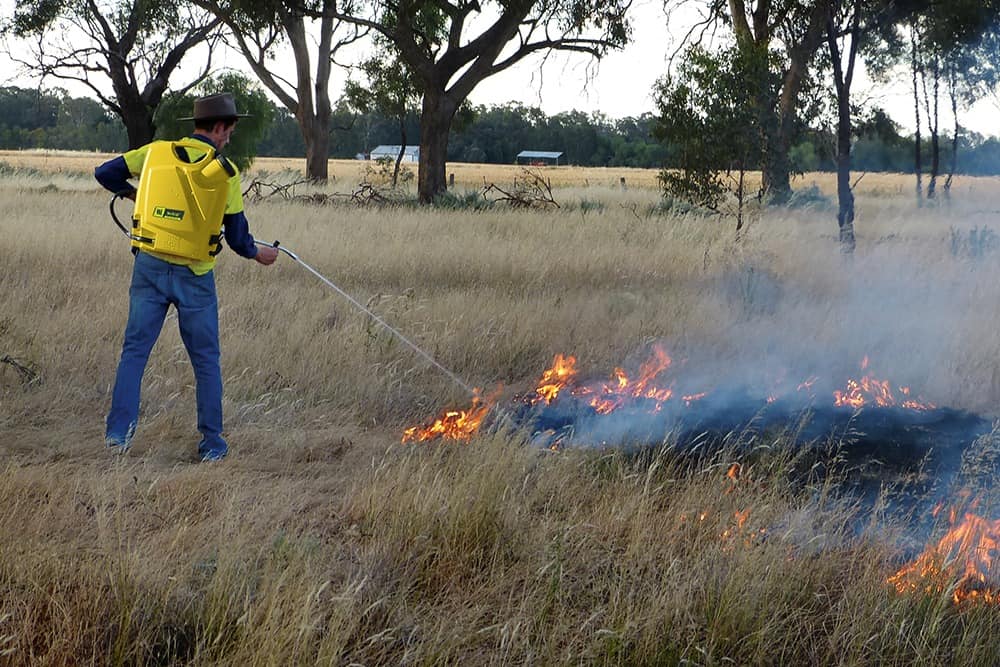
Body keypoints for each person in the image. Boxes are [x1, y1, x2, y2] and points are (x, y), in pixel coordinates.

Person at [95, 92, 279, 462]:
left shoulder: (156, 152)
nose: (229, 138)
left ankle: (117, 437)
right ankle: (212, 445)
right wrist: (260, 254)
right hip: (195, 275)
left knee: (134, 353)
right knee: (206, 361)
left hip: (148, 265)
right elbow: (238, 238)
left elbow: (105, 173)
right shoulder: (226, 172)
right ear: (219, 127)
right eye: (229, 131)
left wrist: (134, 195)